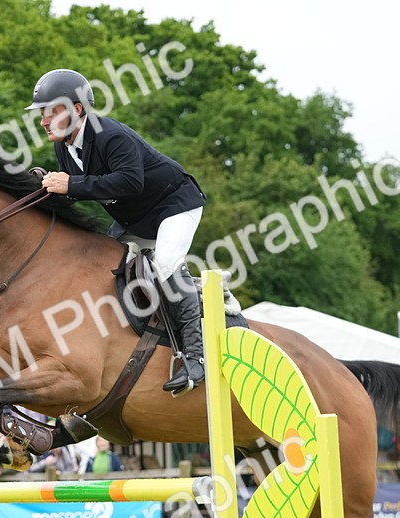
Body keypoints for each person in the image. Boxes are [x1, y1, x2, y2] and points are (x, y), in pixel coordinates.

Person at [27, 68, 241, 397]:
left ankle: (196, 358)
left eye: (51, 111)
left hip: (174, 205)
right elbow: (84, 191)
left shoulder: (110, 134)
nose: (43, 120)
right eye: (42, 113)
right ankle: (202, 290)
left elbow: (130, 182)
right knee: (106, 268)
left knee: (166, 263)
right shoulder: (64, 148)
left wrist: (70, 184)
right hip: (137, 219)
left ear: (77, 109)